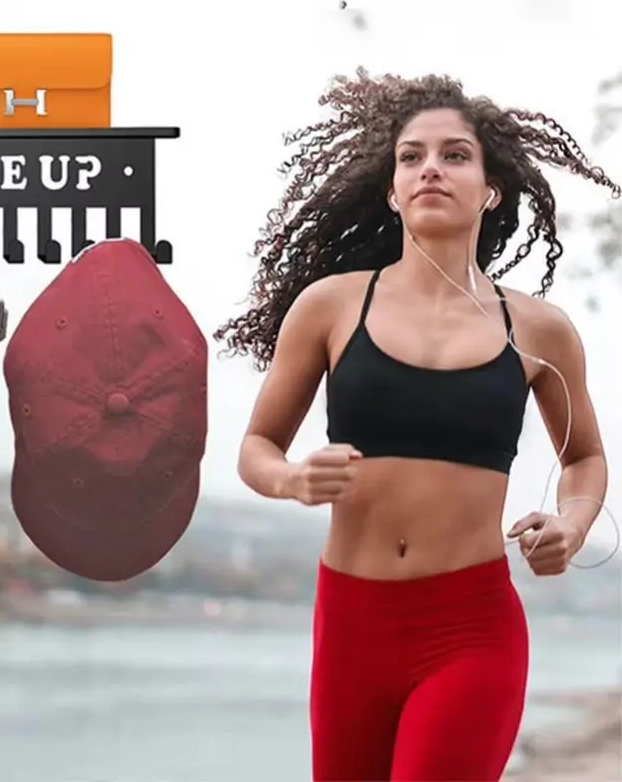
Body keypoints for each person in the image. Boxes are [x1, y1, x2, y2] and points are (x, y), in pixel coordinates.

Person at [216, 71, 619, 782]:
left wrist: (573, 524)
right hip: (350, 626)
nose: (430, 167)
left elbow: (583, 455)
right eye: (411, 156)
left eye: (456, 154)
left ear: (491, 188)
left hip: (470, 627)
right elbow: (256, 448)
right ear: (392, 189)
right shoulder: (330, 308)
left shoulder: (539, 330)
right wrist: (292, 478)